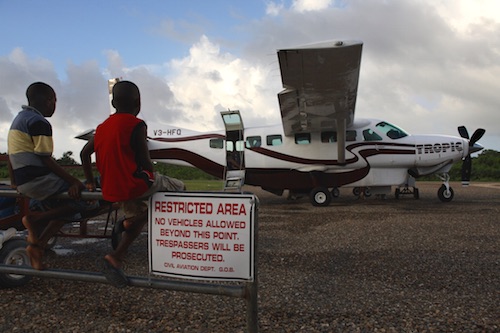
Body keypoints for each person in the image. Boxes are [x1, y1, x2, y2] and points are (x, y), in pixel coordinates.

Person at [81, 80, 184, 288]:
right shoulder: (137, 125)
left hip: (112, 188)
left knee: (135, 217)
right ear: (139, 103)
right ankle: (129, 223)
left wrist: (91, 182)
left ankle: (116, 256)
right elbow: (145, 161)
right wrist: (150, 174)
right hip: (135, 183)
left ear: (113, 102)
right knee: (179, 189)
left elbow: (84, 153)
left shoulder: (101, 128)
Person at [7, 82, 95, 270]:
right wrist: (73, 180)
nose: (55, 105)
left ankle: (38, 247)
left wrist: (15, 182)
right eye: (54, 101)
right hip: (38, 179)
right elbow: (46, 159)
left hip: (24, 180)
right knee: (82, 201)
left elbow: (10, 154)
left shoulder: (19, 119)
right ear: (48, 101)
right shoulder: (39, 122)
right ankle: (35, 220)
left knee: (62, 208)